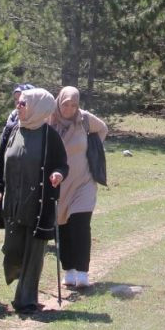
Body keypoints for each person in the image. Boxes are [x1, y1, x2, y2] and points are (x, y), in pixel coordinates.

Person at [0, 87, 68, 314]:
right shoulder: (12, 130)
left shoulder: (49, 136)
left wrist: (57, 174)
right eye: (18, 102)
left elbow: (62, 164)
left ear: (38, 107)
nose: (18, 106)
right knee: (12, 250)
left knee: (34, 253)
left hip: (39, 203)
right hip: (13, 202)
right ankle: (20, 278)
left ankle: (26, 300)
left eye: (23, 104)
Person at [52, 86, 109, 290]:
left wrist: (94, 148)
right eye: (65, 104)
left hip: (84, 182)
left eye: (74, 105)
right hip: (59, 183)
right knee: (63, 226)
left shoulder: (84, 119)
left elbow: (103, 128)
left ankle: (83, 272)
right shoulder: (51, 119)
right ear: (59, 102)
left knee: (80, 224)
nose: (69, 108)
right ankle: (69, 270)